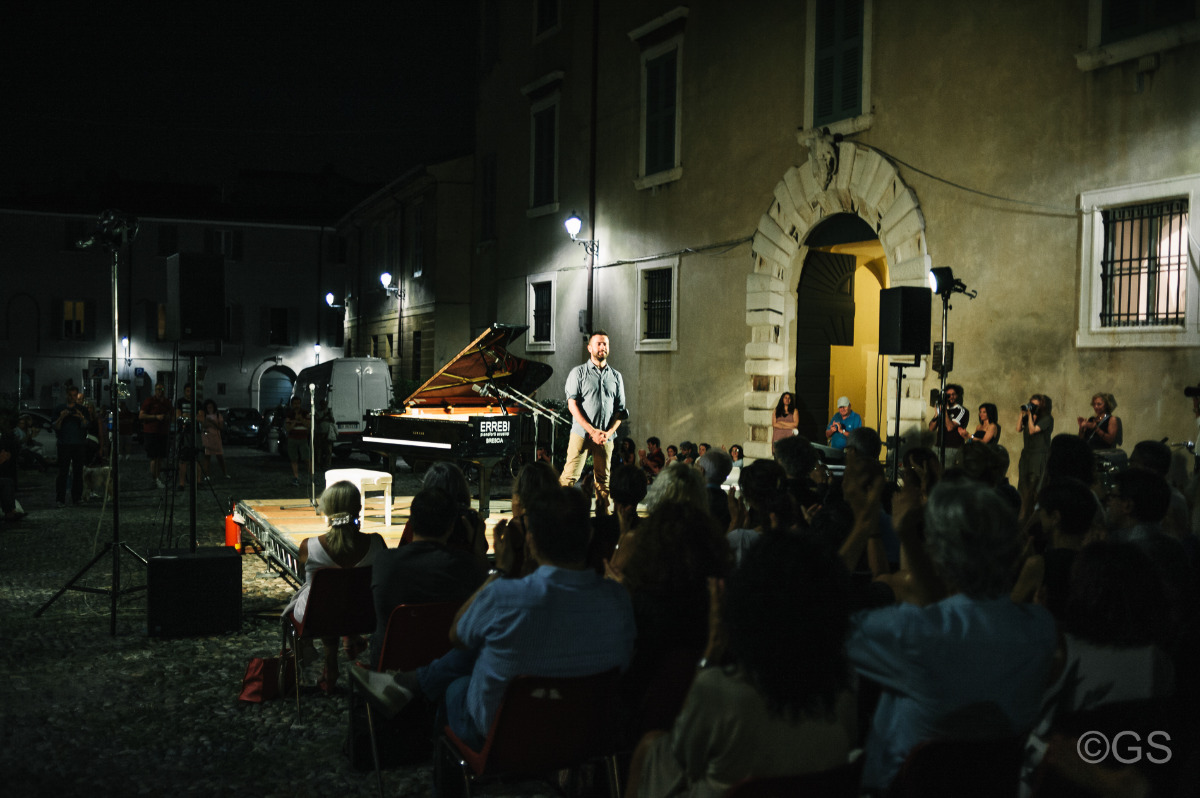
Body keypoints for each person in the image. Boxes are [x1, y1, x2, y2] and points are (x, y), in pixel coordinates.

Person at [350, 485, 637, 754]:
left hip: (503, 736)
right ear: (587, 536)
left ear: (531, 540)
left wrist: (500, 571)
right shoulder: (618, 599)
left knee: (460, 679)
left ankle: (438, 751)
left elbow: (457, 636)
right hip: (589, 732)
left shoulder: (502, 597)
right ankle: (411, 684)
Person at [846, 477, 1058, 793]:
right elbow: (955, 621)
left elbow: (816, 618)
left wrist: (864, 527)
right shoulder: (1041, 628)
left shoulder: (912, 632)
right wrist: (910, 540)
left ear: (939, 554)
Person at [628, 530, 856, 798]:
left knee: (649, 748)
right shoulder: (843, 692)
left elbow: (684, 756)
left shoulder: (720, 690)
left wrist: (710, 655)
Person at [368, 487, 489, 669]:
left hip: (391, 664)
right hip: (445, 663)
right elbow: (487, 596)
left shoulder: (384, 561)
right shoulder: (466, 566)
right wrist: (479, 550)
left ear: (411, 523)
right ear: (451, 526)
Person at [283, 481, 387, 687]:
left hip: (317, 619)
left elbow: (305, 577)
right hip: (364, 617)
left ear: (327, 509)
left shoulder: (309, 547)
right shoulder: (377, 543)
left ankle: (330, 666)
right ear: (358, 508)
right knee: (341, 598)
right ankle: (351, 637)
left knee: (324, 599)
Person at [559, 330, 628, 513]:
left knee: (603, 482)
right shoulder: (578, 373)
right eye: (598, 344)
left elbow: (621, 411)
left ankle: (603, 519)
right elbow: (572, 405)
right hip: (581, 434)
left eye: (605, 344)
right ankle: (558, 514)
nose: (602, 347)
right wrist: (592, 431)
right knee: (568, 478)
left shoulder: (616, 377)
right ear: (590, 348)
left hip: (606, 437)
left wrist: (609, 432)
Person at [53, 385, 92, 507]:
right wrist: (62, 416)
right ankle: (60, 499)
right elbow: (55, 426)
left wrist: (81, 417)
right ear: (67, 395)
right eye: (70, 395)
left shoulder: (82, 409)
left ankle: (77, 498)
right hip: (64, 444)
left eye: (74, 395)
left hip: (79, 444)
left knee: (78, 472)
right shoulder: (59, 408)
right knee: (63, 472)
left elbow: (87, 425)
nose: (72, 398)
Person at [1017, 394, 1054, 502]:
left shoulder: (1047, 418)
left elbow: (1032, 430)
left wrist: (1030, 416)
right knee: (1024, 483)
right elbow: (1018, 428)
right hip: (1027, 454)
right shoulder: (1030, 417)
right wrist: (1022, 414)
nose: (1032, 406)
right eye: (1031, 404)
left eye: (1035, 405)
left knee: (1035, 484)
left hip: (1039, 455)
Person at [139, 383, 172, 488]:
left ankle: (158, 477)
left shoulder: (167, 402)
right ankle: (155, 479)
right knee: (153, 457)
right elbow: (141, 415)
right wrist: (155, 417)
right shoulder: (150, 401)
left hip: (163, 432)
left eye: (162, 389)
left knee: (160, 457)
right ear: (155, 390)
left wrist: (168, 417)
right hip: (151, 432)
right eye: (158, 389)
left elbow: (172, 414)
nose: (160, 391)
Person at [928, 384, 969, 451]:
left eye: (953, 394)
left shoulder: (961, 410)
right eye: (948, 395)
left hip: (953, 447)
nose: (951, 397)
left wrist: (945, 411)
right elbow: (931, 428)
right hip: (939, 446)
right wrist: (936, 414)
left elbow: (950, 427)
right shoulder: (941, 408)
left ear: (957, 396)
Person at [175, 383, 200, 490]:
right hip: (183, 432)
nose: (189, 393)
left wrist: (188, 416)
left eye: (191, 391)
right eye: (188, 391)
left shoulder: (198, 403)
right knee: (183, 458)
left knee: (197, 457)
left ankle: (198, 481)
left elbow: (201, 418)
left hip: (195, 432)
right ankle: (182, 483)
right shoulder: (179, 402)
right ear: (185, 391)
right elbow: (178, 416)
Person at [284, 396, 311, 488]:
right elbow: (287, 428)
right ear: (292, 404)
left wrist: (301, 419)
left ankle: (311, 477)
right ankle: (296, 477)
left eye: (298, 403)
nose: (297, 405)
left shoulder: (305, 413)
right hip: (292, 439)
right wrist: (294, 422)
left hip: (303, 438)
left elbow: (309, 425)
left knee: (307, 458)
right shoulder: (289, 414)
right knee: (294, 459)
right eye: (295, 403)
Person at [199, 399, 228, 480]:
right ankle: (207, 475)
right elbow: (203, 426)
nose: (209, 408)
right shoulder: (203, 415)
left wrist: (212, 423)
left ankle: (225, 473)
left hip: (216, 438)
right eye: (208, 407)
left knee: (220, 456)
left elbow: (221, 427)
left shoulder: (218, 415)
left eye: (211, 407)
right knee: (207, 457)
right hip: (207, 437)